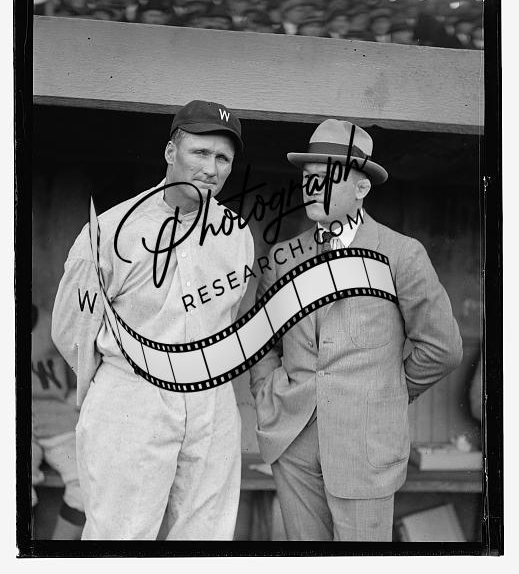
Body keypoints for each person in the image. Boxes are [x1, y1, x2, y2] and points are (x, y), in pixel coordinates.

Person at [250, 119, 463, 541]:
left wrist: (387, 393)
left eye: (327, 178)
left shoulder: (401, 254)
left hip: (365, 445)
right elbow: (261, 341)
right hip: (292, 440)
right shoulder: (282, 256)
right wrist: (267, 392)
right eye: (308, 177)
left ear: (361, 187)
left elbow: (443, 348)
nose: (312, 187)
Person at [52, 100, 254, 540]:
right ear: (170, 152)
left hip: (211, 400)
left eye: (223, 159)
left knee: (207, 536)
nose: (211, 169)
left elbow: (226, 315)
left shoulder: (237, 233)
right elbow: (72, 331)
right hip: (134, 395)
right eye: (200, 153)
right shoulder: (112, 230)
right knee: (120, 536)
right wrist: (118, 388)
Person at [32, 304, 86, 539]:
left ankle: (54, 553)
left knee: (86, 484)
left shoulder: (52, 322)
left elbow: (79, 373)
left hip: (56, 418)